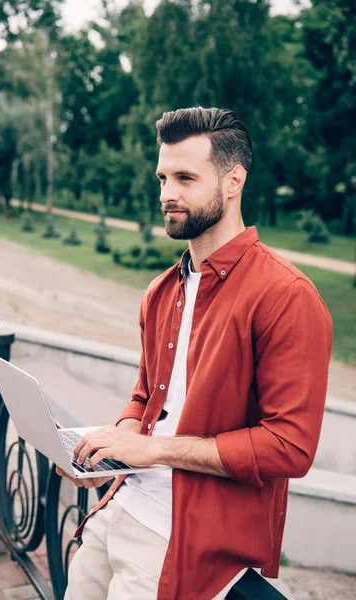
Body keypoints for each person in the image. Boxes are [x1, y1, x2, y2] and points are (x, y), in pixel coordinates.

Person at [57, 107, 332, 600]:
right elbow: (147, 398)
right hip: (119, 506)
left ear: (233, 181)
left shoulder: (286, 296)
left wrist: (155, 450)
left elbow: (290, 446)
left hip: (183, 539)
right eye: (162, 176)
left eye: (185, 177)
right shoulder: (162, 290)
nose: (166, 193)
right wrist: (106, 450)